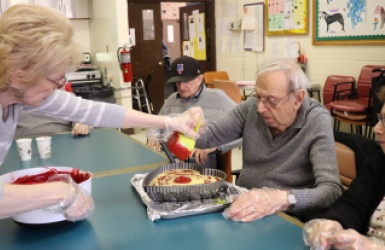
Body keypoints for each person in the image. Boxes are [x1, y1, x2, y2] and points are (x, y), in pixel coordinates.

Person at [0, 4, 204, 222]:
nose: (61, 86)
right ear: (18, 76)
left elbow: (94, 111)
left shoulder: (17, 95)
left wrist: (171, 122)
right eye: (56, 78)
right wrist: (61, 193)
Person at [195, 58, 343, 222]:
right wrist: (177, 125)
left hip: (284, 217)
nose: (260, 108)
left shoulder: (316, 119)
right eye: (258, 97)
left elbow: (331, 190)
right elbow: (209, 136)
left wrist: (280, 199)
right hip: (242, 207)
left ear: (298, 98)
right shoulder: (252, 107)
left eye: (271, 100)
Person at [302, 85, 385, 250]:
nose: (376, 129)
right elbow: (353, 203)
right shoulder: (380, 161)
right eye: (381, 118)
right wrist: (334, 223)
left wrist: (371, 246)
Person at [147, 56, 241, 169]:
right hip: (170, 163)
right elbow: (157, 125)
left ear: (200, 79)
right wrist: (154, 137)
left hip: (200, 167)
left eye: (186, 81)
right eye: (178, 82)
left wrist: (214, 147)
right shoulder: (171, 100)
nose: (181, 87)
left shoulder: (219, 99)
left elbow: (244, 130)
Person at [15, 110, 92, 138]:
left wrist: (81, 123)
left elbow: (83, 116)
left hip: (63, 147)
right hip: (24, 146)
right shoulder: (10, 103)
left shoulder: (63, 98)